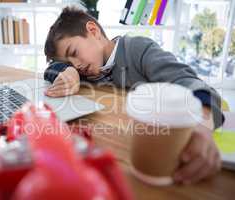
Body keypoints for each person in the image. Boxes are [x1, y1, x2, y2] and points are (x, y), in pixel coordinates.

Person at [43, 7, 224, 184]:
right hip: (113, 150)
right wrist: (67, 70)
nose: (76, 65)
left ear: (93, 31)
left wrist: (202, 126)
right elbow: (51, 69)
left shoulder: (139, 49)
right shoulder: (82, 68)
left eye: (74, 53)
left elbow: (193, 84)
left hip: (158, 148)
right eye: (69, 62)